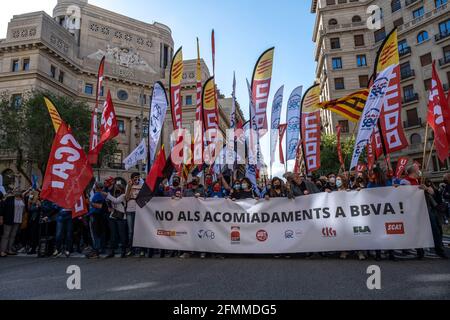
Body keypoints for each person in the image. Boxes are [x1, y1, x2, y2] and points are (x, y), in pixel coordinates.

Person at [367, 167, 396, 261]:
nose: (370, 175)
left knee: (389, 232)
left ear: (377, 174)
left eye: (372, 173)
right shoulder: (371, 183)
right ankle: (378, 254)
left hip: (386, 211)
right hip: (375, 212)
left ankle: (391, 253)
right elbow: (368, 193)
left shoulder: (387, 182)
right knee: (377, 233)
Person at [104, 184, 128, 259]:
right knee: (113, 235)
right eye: (115, 188)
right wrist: (108, 203)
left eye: (118, 188)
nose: (116, 190)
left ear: (122, 189)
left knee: (122, 234)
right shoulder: (113, 195)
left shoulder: (124, 195)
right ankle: (111, 251)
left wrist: (107, 195)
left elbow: (116, 201)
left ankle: (123, 251)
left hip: (121, 217)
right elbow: (112, 204)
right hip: (113, 216)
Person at [0, 190, 25, 257]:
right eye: (16, 190)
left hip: (18, 220)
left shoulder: (22, 199)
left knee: (13, 236)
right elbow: (3, 208)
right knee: (6, 235)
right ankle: (2, 251)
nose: (17, 191)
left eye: (18, 190)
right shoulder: (9, 198)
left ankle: (9, 250)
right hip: (9, 219)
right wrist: (1, 217)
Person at [125, 173, 144, 257]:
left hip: (139, 211)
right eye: (135, 178)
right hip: (130, 210)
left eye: (138, 178)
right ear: (132, 179)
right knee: (130, 231)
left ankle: (141, 250)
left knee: (139, 231)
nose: (137, 180)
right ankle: (131, 249)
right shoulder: (128, 185)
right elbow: (126, 198)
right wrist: (129, 187)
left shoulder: (142, 185)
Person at [87, 182, 107, 259]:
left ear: (97, 187)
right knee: (100, 233)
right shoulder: (102, 194)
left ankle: (96, 251)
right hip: (99, 216)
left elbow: (100, 206)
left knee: (95, 234)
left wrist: (90, 202)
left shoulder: (98, 194)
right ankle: (100, 249)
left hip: (96, 216)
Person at [26, 190, 42, 255]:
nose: (31, 195)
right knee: (32, 234)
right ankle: (33, 248)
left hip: (37, 220)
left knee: (36, 235)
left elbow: (35, 209)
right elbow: (29, 209)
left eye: (32, 194)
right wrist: (29, 202)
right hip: (32, 219)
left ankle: (35, 248)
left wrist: (32, 202)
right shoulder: (31, 201)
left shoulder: (38, 201)